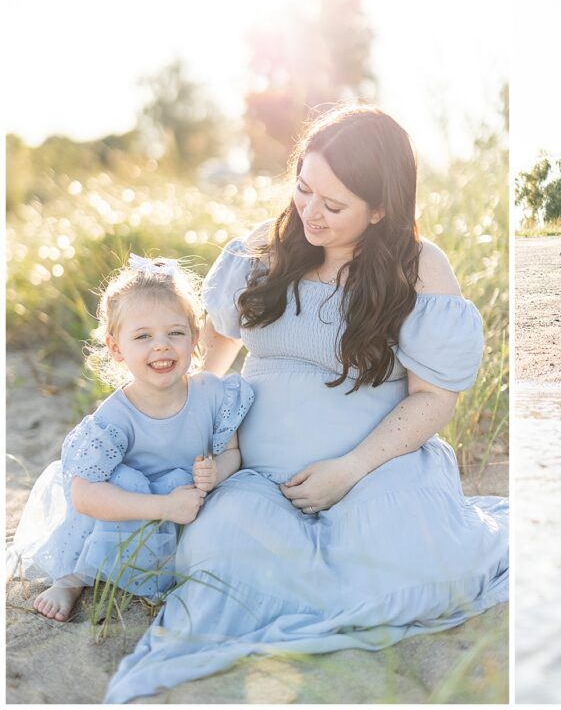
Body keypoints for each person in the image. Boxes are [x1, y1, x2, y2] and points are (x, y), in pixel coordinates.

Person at [104, 105, 509, 703]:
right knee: (218, 550)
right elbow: (212, 354)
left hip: (376, 470)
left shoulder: (419, 269)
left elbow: (432, 400)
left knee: (406, 559)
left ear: (381, 208)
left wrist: (348, 470)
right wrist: (177, 424)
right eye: (303, 189)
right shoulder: (263, 250)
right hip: (257, 477)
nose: (310, 213)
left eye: (334, 204)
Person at [6, 255, 253, 622]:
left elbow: (232, 452)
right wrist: (164, 507)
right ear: (117, 348)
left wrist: (217, 470)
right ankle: (73, 579)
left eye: (175, 332)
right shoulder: (114, 418)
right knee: (122, 483)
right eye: (143, 337)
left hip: (183, 508)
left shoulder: (213, 394)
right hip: (124, 508)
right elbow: (86, 496)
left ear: (195, 337)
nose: (161, 346)